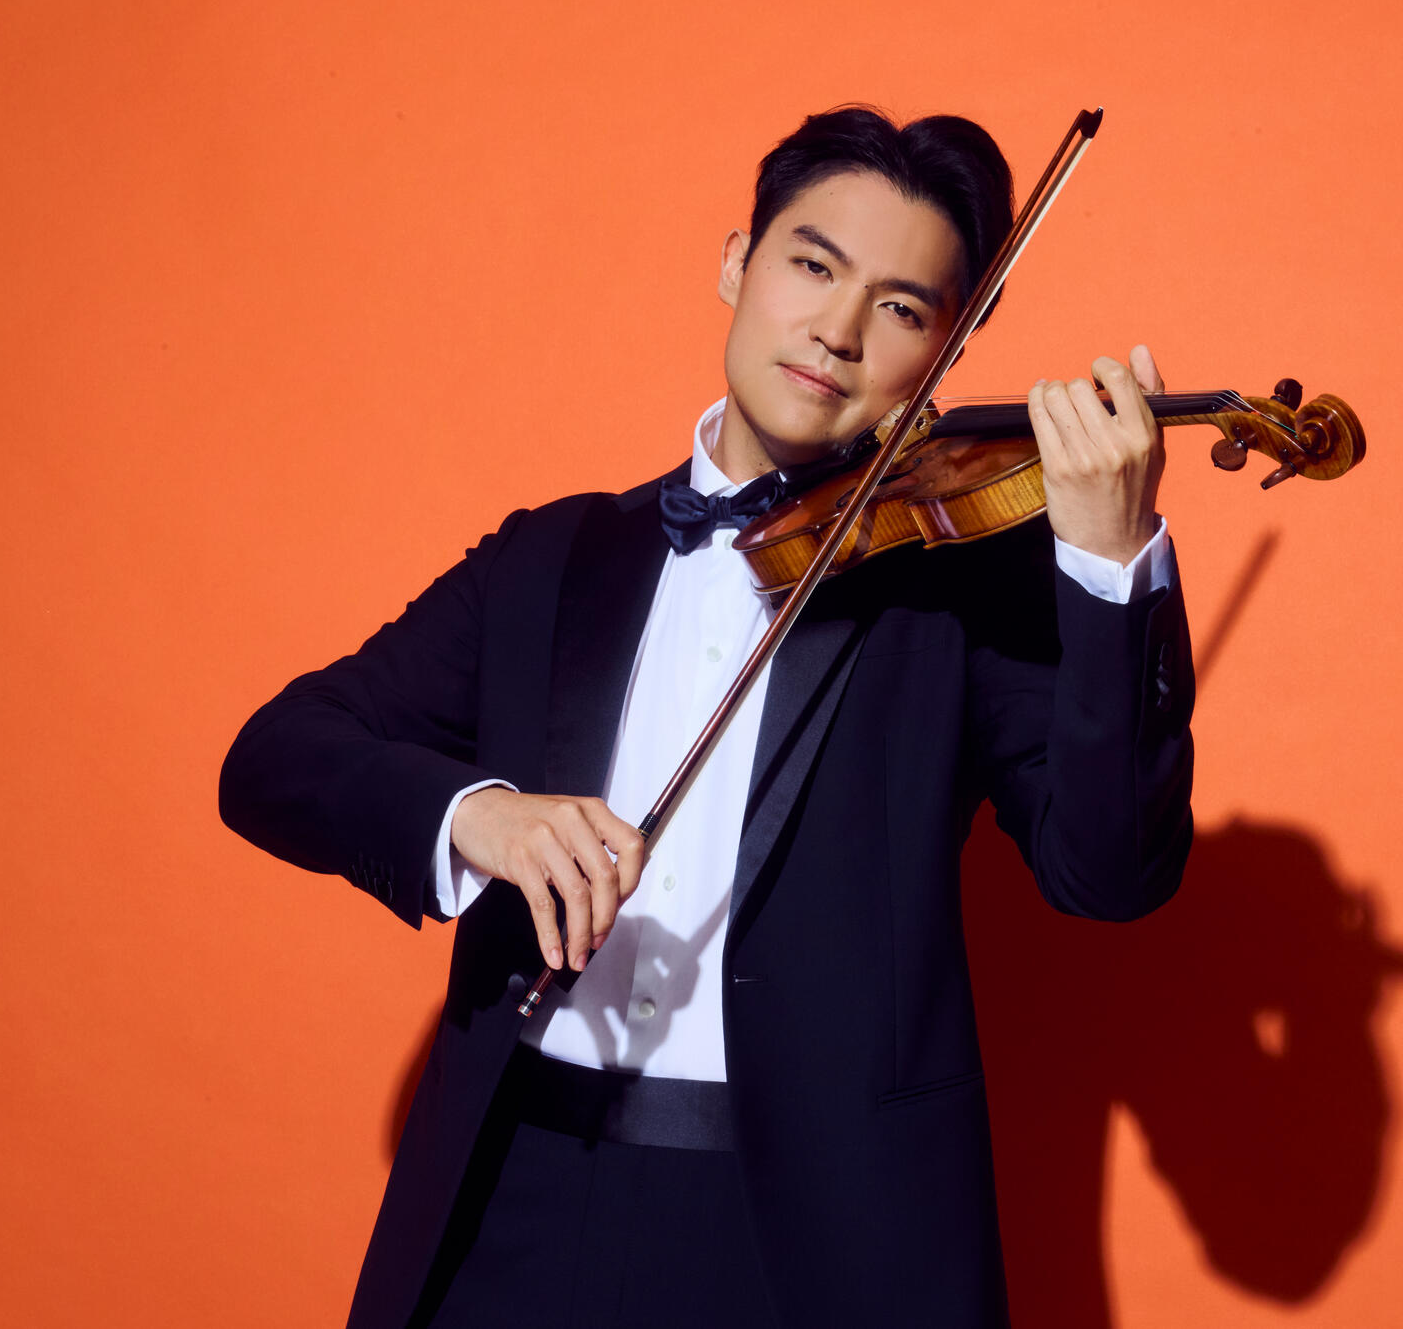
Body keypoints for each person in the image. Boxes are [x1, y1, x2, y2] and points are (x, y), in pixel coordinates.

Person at [219, 105, 1195, 1329]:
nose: (835, 331)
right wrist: (486, 821)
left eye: (900, 308)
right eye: (811, 264)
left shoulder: (960, 590)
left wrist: (1108, 559)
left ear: (947, 350)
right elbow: (274, 757)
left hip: (801, 1241)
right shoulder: (554, 557)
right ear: (737, 263)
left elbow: (1111, 871)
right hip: (511, 1185)